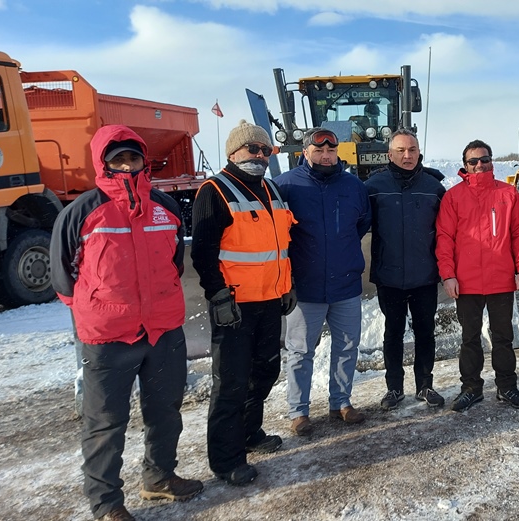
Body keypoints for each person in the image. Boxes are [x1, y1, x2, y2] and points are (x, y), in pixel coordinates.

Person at [51, 125, 202, 521]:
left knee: (166, 410)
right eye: (116, 158)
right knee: (105, 424)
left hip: (163, 330)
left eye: (132, 157)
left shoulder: (165, 207)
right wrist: (96, 308)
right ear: (103, 163)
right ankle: (106, 504)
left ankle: (159, 478)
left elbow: (174, 262)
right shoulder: (82, 211)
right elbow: (62, 276)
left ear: (143, 161)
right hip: (108, 337)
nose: (126, 165)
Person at [191, 120, 295, 486]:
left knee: (265, 371)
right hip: (234, 306)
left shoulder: (271, 190)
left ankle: (250, 433)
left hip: (269, 300)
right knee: (231, 382)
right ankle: (225, 458)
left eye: (265, 150)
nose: (260, 156)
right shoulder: (214, 191)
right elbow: (203, 251)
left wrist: (287, 284)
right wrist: (217, 295)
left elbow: (281, 245)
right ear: (233, 152)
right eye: (253, 149)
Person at [275, 127, 371, 432]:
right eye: (319, 151)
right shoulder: (286, 186)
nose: (326, 156)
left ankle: (340, 402)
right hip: (305, 287)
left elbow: (361, 224)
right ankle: (298, 412)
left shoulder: (354, 186)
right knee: (301, 350)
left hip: (345, 285)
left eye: (331, 151)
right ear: (305, 152)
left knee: (347, 346)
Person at [436, 140, 519, 412]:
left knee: (503, 337)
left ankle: (506, 386)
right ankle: (471, 388)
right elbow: (445, 239)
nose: (480, 165)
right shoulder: (454, 197)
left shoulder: (507, 194)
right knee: (469, 338)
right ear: (465, 166)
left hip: (501, 279)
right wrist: (448, 275)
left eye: (485, 159)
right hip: (465, 282)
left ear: (491, 162)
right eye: (473, 161)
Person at [363, 129, 447, 411]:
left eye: (412, 149)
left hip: (424, 275)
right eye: (400, 150)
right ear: (390, 154)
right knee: (393, 333)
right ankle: (394, 388)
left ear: (419, 151)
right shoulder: (374, 186)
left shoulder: (434, 186)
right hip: (389, 276)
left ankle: (425, 384)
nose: (407, 155)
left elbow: (447, 231)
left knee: (426, 332)